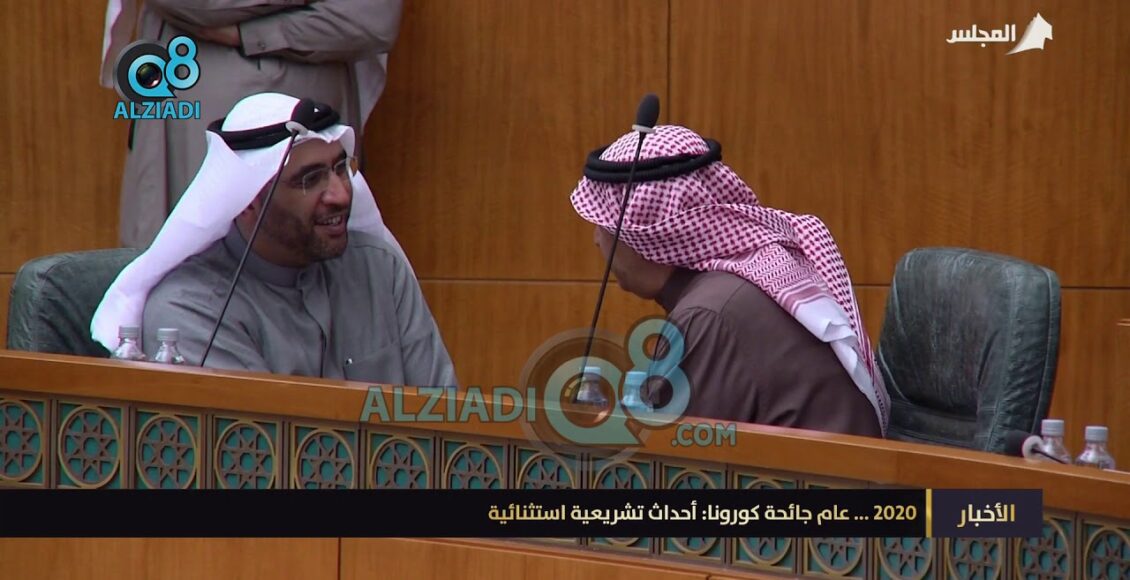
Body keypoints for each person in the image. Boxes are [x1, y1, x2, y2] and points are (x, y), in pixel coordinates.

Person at [90, 92, 457, 389]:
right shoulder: (192, 311)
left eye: (340, 168)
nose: (341, 194)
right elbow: (259, 448)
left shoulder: (379, 268)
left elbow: (440, 413)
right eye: (310, 179)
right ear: (248, 201)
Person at [570, 125, 888, 437]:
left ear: (643, 232)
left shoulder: (710, 314)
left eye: (602, 224)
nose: (597, 240)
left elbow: (676, 456)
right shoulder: (745, 281)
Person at [99, 0, 404, 248]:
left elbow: (372, 20)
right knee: (203, 265)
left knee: (317, 264)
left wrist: (250, 33)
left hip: (311, 96)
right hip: (202, 91)